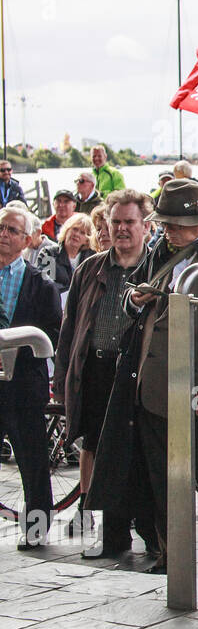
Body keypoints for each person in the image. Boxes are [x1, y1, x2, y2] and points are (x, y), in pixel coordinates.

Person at [88, 179, 198, 580]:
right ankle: (171, 556)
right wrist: (133, 300)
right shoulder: (157, 253)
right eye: (165, 223)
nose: (169, 230)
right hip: (152, 391)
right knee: (162, 481)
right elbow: (132, 305)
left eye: (176, 223)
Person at [55, 190, 155, 555]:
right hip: (96, 370)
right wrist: (63, 376)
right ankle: (112, 536)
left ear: (146, 226)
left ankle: (152, 535)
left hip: (139, 375)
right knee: (98, 448)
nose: (122, 229)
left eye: (130, 222)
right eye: (116, 222)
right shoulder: (90, 268)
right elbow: (70, 329)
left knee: (140, 453)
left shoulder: (155, 270)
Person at [0, 205, 63, 549]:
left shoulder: (41, 284)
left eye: (11, 230)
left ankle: (36, 528)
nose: (3, 235)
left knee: (32, 458)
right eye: (0, 228)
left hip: (24, 381)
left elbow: (52, 333)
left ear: (26, 240)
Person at [52, 212, 94, 295]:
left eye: (82, 233)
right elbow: (45, 282)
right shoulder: (48, 253)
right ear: (66, 230)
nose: (76, 234)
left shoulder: (92, 258)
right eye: (74, 229)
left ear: (87, 240)